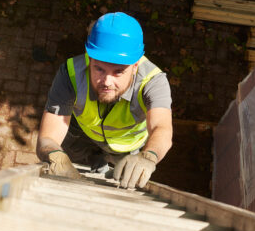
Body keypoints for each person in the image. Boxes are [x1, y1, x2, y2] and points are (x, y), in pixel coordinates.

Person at [36, 12, 173, 189]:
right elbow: (48, 137)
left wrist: (149, 156)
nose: (107, 82)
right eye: (99, 69)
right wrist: (55, 155)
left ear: (135, 66)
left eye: (118, 72)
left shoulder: (153, 81)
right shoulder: (70, 73)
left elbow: (161, 128)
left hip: (125, 150)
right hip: (82, 138)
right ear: (89, 58)